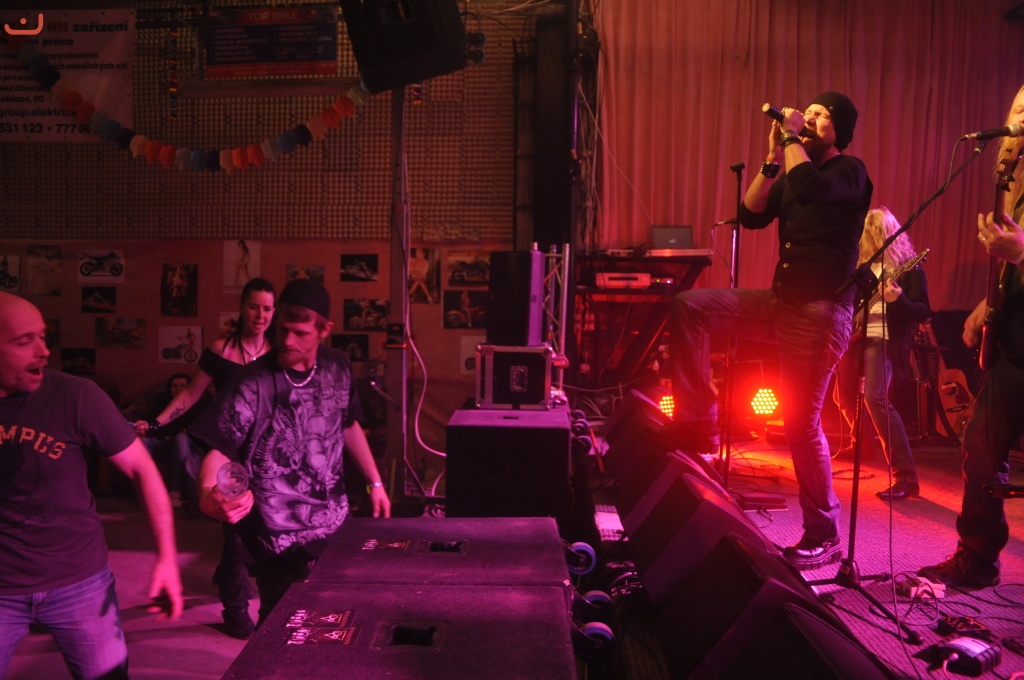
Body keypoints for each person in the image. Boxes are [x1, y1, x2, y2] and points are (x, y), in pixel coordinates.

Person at [666, 92, 873, 571]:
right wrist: (771, 157)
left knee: (800, 424)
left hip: (820, 314)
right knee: (689, 307)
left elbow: (812, 189)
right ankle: (699, 421)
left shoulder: (849, 171)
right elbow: (751, 214)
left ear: (839, 131)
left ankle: (824, 534)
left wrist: (794, 139)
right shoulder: (794, 169)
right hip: (778, 303)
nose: (810, 117)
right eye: (809, 112)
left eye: (821, 115)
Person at [0, 292, 183, 679]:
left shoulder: (75, 396)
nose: (43, 351)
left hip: (79, 583)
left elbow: (142, 469)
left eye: (43, 337)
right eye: (24, 341)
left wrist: (167, 559)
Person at [190, 278, 391, 627]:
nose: (286, 341)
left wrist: (376, 483)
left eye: (300, 333)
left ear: (324, 330)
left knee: (333, 625)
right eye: (282, 330)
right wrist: (208, 495)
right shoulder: (253, 382)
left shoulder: (339, 366)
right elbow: (219, 447)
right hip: (278, 538)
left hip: (333, 527)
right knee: (281, 629)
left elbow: (348, 425)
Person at [918, 85, 1024, 588]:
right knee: (980, 445)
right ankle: (978, 557)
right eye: (1019, 105)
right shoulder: (1014, 181)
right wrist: (989, 302)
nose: (1022, 116)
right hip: (1017, 344)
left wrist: (1019, 254)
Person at [135, 276, 276, 640]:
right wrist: (156, 423)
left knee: (268, 530)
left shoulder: (277, 352)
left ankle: (246, 590)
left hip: (268, 454)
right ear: (241, 308)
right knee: (235, 528)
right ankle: (235, 610)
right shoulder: (221, 350)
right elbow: (192, 394)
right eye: (253, 307)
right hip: (228, 451)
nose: (260, 315)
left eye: (267, 309)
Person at [833, 207, 931, 500]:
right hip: (855, 339)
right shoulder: (861, 268)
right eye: (869, 233)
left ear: (890, 234)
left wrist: (898, 300)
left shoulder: (909, 269)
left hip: (884, 341)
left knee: (875, 399)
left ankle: (906, 477)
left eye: (878, 233)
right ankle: (862, 443)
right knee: (842, 397)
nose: (872, 238)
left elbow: (922, 310)